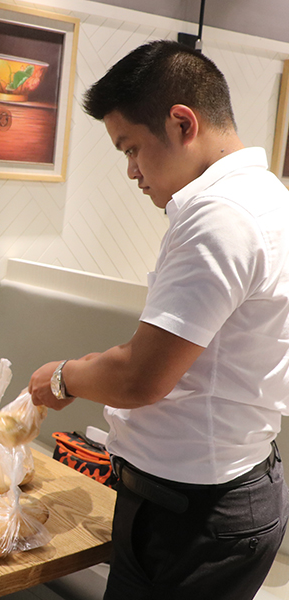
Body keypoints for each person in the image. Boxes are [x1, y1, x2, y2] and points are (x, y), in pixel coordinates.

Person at [28, 40, 289, 600]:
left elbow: (140, 378)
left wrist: (62, 377)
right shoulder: (267, 195)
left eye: (132, 149)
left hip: (195, 514)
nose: (131, 171)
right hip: (230, 486)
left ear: (181, 123)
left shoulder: (220, 218)